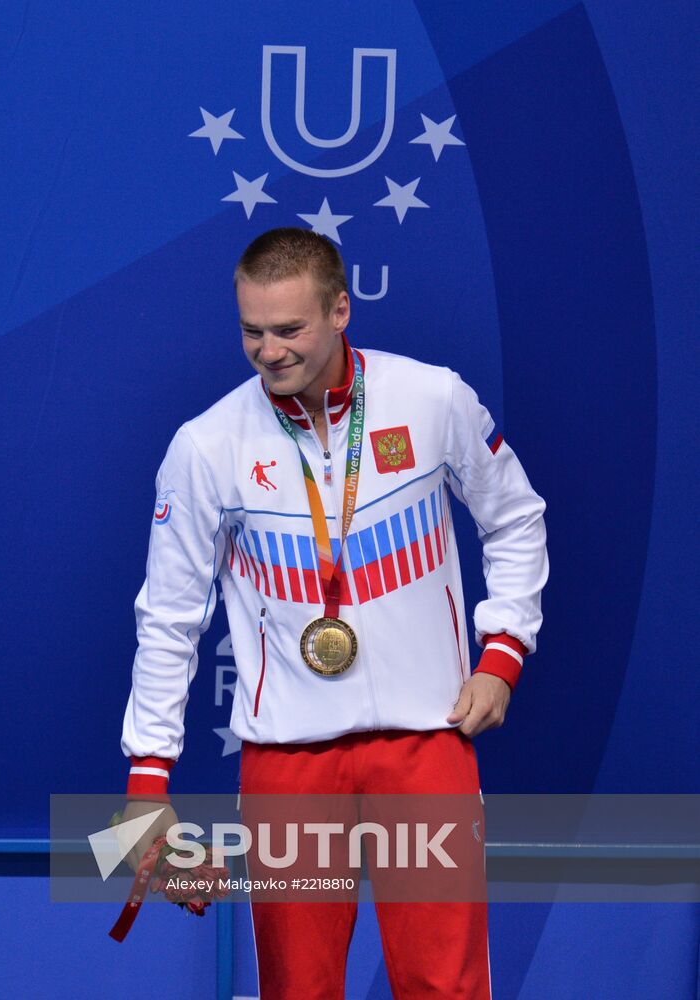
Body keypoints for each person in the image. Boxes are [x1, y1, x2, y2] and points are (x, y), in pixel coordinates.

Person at [120, 228, 547, 999]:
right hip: (289, 761)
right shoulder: (205, 446)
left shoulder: (429, 398)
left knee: (443, 987)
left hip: (425, 744)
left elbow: (514, 517)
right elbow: (169, 618)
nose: (268, 351)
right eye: (251, 331)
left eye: (289, 329)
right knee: (298, 991)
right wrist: (146, 787)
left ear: (341, 309)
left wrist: (503, 651)